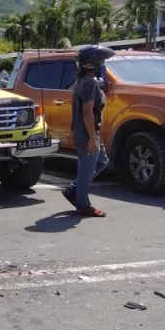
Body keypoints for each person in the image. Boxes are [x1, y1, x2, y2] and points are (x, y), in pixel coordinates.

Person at [62, 45, 115, 217]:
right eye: (102, 61)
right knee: (86, 170)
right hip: (86, 132)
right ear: (92, 63)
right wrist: (92, 138)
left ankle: (73, 190)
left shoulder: (86, 81)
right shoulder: (90, 82)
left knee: (102, 161)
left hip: (89, 131)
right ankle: (83, 204)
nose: (104, 65)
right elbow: (87, 112)